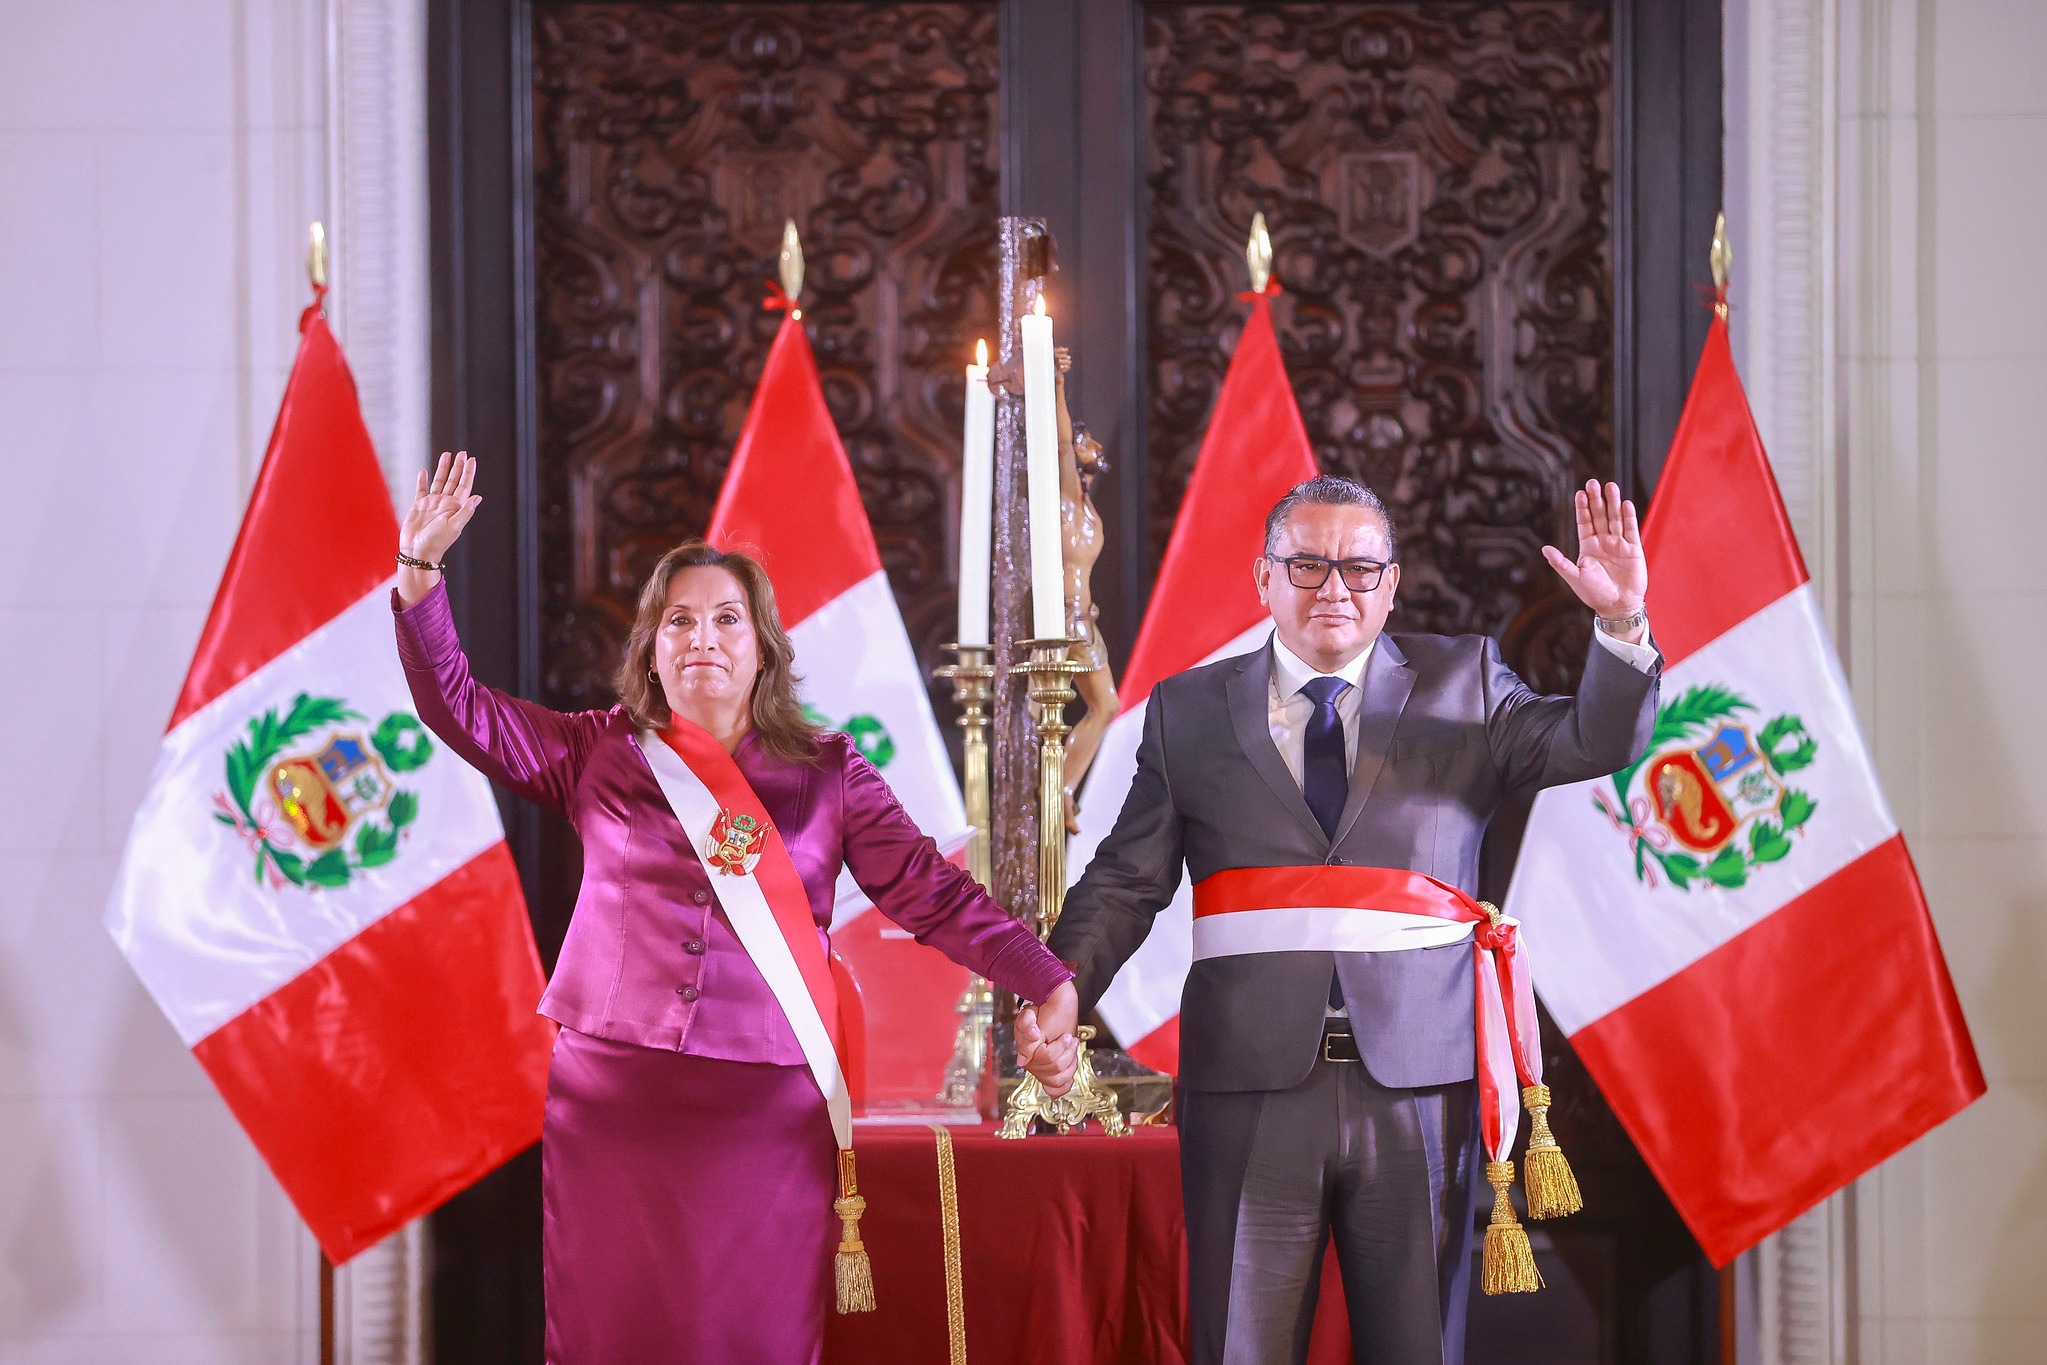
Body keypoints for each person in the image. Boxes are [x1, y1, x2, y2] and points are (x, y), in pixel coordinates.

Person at [391, 452, 1079, 1364]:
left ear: (763, 647)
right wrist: (419, 573)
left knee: (746, 1331)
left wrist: (1045, 977)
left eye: (726, 619)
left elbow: (928, 886)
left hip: (764, 1100)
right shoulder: (595, 754)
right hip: (614, 1094)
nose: (701, 637)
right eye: (678, 621)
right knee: (616, 1330)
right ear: (650, 647)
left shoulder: (829, 773)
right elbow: (461, 709)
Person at [1024, 474, 1660, 1364]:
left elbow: (1597, 741)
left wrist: (1621, 623)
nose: (1335, 588)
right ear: (1263, 579)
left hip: (1418, 1084)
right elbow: (1126, 881)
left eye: (1360, 568)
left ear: (1391, 585)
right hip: (1247, 1088)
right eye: (1308, 564)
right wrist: (1057, 985)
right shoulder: (1187, 710)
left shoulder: (1465, 682)